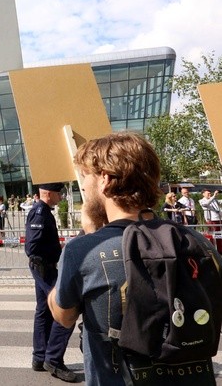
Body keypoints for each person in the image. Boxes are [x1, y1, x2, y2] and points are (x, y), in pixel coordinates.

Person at [48, 132, 218, 385]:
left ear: (104, 179)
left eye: (85, 177)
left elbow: (63, 315)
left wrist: (92, 236)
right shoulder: (199, 243)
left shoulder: (83, 251)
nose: (82, 186)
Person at [24, 182, 76, 382]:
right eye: (58, 193)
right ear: (47, 193)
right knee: (66, 308)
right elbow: (33, 246)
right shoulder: (40, 212)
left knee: (44, 310)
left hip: (45, 267)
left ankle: (39, 357)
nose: (61, 197)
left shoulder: (44, 210)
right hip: (43, 267)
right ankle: (53, 359)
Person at [199, 189, 222, 253]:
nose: (210, 194)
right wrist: (214, 196)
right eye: (208, 193)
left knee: (220, 234)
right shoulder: (201, 201)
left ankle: (220, 249)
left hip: (219, 218)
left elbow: (219, 202)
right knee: (214, 235)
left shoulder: (213, 199)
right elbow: (206, 204)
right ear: (203, 194)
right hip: (211, 219)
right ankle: (214, 249)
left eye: (210, 193)